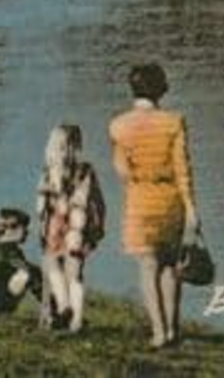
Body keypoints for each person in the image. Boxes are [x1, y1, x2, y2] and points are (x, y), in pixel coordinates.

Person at [109, 63, 199, 349]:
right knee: (171, 268)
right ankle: (173, 329)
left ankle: (158, 332)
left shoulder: (119, 126)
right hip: (170, 198)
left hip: (140, 199)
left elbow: (121, 170)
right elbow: (183, 169)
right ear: (161, 89)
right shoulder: (174, 122)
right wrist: (192, 210)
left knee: (148, 267)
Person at [36, 123, 105, 333]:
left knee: (52, 266)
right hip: (77, 224)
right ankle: (76, 320)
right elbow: (88, 199)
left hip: (54, 224)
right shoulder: (85, 171)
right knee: (75, 274)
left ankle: (64, 305)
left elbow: (39, 205)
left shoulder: (48, 173)